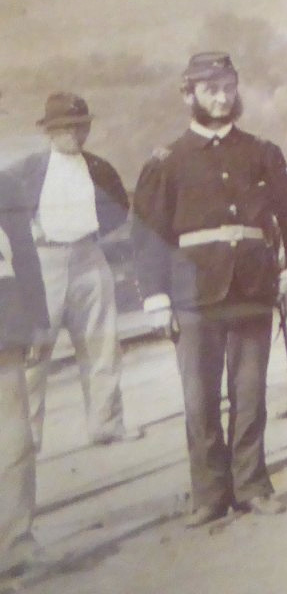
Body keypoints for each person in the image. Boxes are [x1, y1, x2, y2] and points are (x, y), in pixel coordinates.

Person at [132, 52, 287, 525]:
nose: (222, 98)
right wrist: (155, 296)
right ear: (188, 95)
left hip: (251, 286)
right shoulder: (166, 162)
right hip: (192, 293)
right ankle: (208, 494)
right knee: (200, 398)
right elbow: (148, 235)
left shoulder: (263, 152)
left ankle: (252, 485)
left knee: (250, 394)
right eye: (210, 90)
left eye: (227, 87)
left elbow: (286, 218)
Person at [10, 93, 135, 449]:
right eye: (66, 128)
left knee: (102, 346)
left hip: (88, 257)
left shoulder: (98, 168)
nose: (75, 135)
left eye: (82, 127)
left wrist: (93, 233)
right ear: (49, 131)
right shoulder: (27, 170)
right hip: (43, 261)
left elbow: (120, 208)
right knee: (34, 354)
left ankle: (106, 424)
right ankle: (26, 438)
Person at [0, 117, 49, 578]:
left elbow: (25, 253)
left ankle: (15, 541)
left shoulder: (6, 184)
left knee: (13, 438)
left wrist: (38, 320)